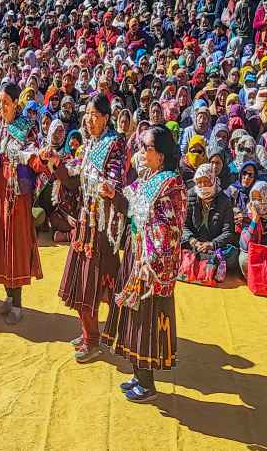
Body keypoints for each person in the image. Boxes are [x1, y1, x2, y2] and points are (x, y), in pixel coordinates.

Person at [103, 125, 186, 403]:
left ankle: (148, 383)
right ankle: (138, 375)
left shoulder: (170, 184)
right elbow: (129, 204)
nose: (140, 153)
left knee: (146, 320)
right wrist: (112, 194)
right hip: (136, 257)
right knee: (133, 317)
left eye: (145, 148)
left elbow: (169, 227)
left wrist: (151, 259)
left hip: (151, 265)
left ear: (160, 155)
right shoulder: (148, 179)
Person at [57, 93, 126, 362]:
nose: (89, 120)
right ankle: (89, 332)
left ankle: (94, 339)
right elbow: (75, 171)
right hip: (86, 221)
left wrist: (109, 189)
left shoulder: (114, 144)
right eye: (87, 114)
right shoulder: (88, 143)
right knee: (84, 279)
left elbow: (115, 178)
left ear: (106, 118)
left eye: (95, 115)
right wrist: (57, 163)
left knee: (94, 281)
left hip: (101, 225)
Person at [0, 82, 48, 325]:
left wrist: (33, 158)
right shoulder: (0, 127)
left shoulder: (25, 127)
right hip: (0, 191)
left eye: (5, 102)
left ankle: (18, 304)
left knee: (16, 244)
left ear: (16, 103)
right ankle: (8, 295)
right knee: (0, 240)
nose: (1, 106)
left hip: (17, 194)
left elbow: (34, 157)